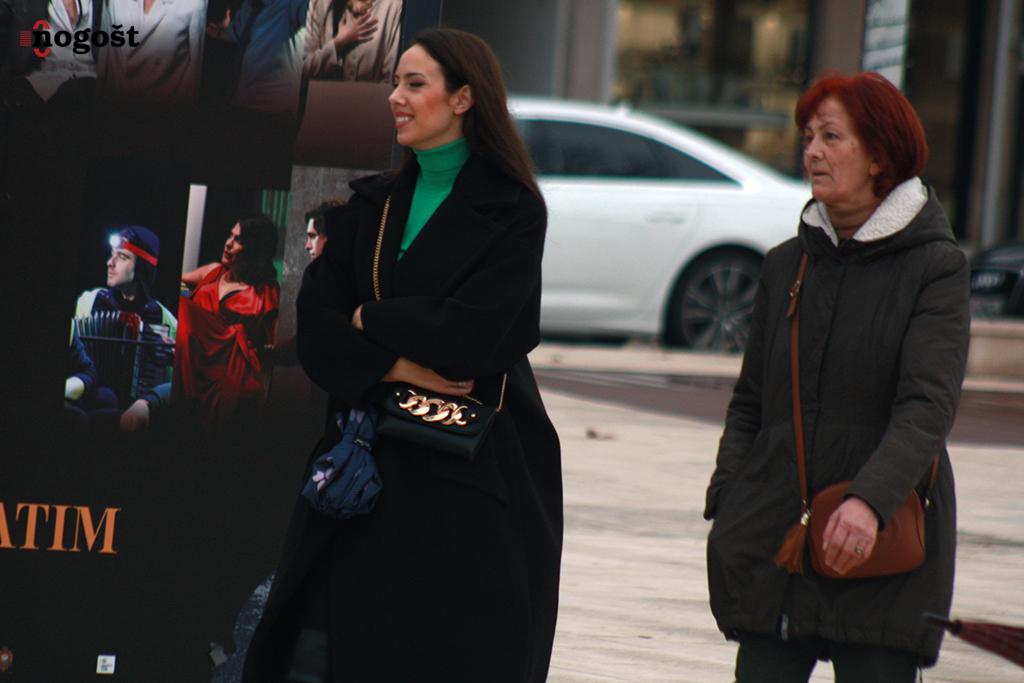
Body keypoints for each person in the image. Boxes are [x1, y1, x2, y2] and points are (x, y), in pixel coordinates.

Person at [243, 28, 563, 683]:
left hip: (469, 472)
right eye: (395, 83)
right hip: (366, 464)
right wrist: (394, 366)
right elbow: (317, 329)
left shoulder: (514, 208)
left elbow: (479, 334)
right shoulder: (369, 207)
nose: (396, 97)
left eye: (415, 84)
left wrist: (372, 318)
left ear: (464, 98)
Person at [704, 72, 970, 682]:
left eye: (831, 137)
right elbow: (750, 403)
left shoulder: (935, 267)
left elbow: (927, 405)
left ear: (879, 156)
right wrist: (730, 497)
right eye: (808, 138)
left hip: (882, 543)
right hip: (780, 541)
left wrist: (869, 501)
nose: (813, 153)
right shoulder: (785, 266)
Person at [172, 214, 280, 427]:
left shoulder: (266, 292)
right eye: (230, 236)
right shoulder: (213, 271)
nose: (228, 244)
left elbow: (272, 348)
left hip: (233, 375)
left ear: (255, 249)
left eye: (238, 240)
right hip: (195, 367)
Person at [97, 0, 206, 106]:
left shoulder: (193, 4)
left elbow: (194, 75)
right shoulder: (113, 2)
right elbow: (104, 65)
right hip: (117, 109)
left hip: (164, 111)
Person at [301, 0, 401, 82]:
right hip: (322, 97)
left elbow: (389, 79)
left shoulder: (392, 5)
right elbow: (303, 69)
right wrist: (338, 43)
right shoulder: (320, 3)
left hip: (372, 98)